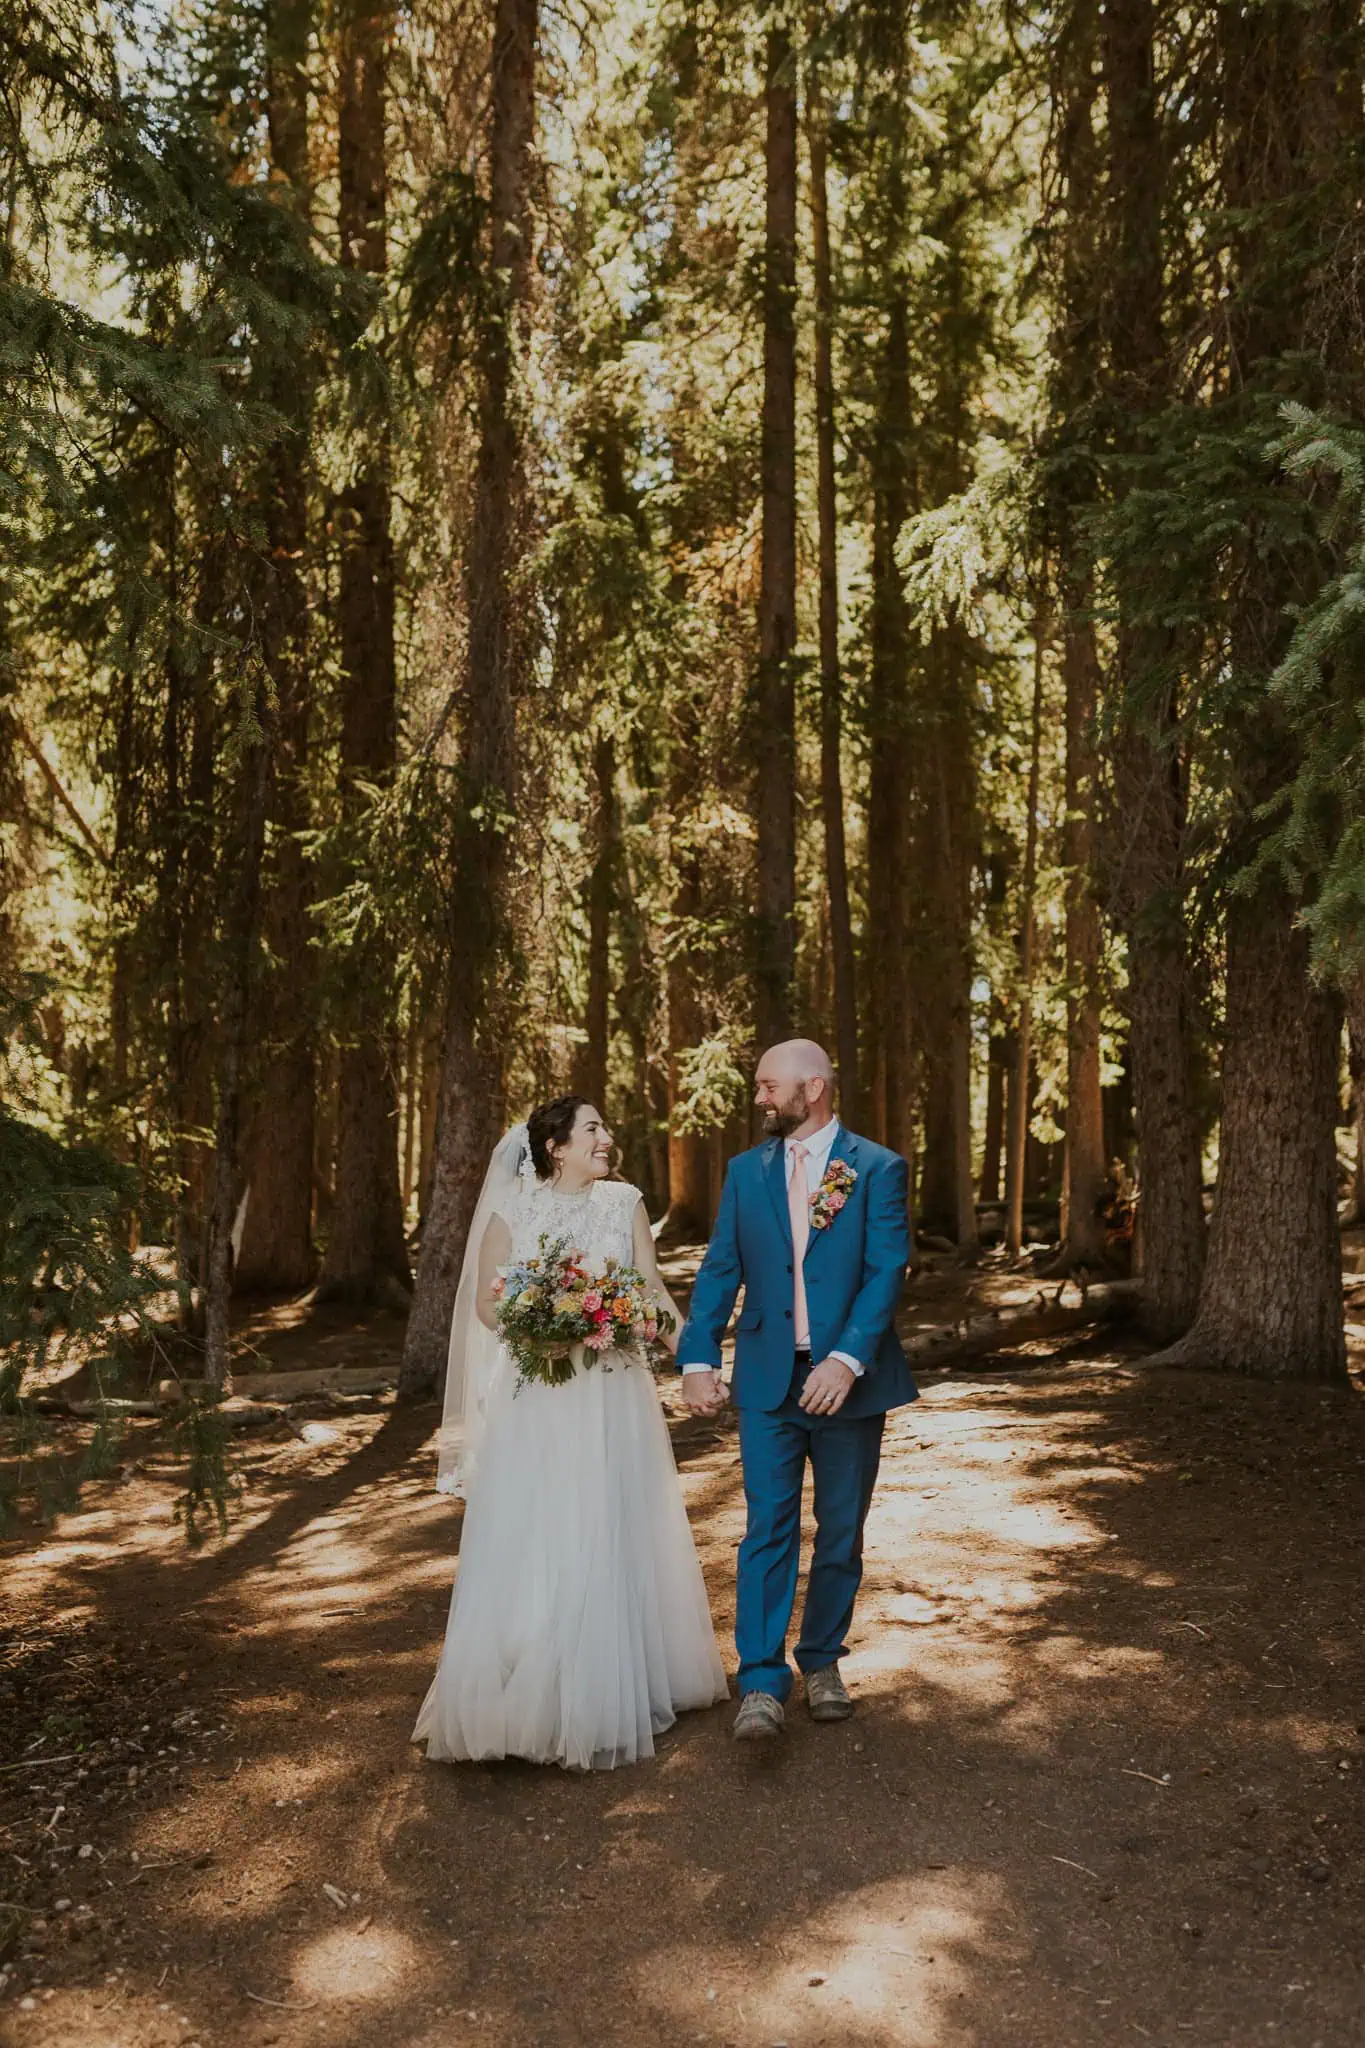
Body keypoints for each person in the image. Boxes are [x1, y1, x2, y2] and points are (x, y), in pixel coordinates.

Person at [413, 1097, 727, 1771]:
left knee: (611, 1519)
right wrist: (545, 1326)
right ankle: (530, 1679)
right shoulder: (512, 1212)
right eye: (592, 1130)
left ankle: (616, 1679)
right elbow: (488, 1304)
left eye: (605, 1129)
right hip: (540, 1398)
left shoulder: (624, 1204)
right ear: (555, 1146)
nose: (606, 1139)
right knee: (539, 1526)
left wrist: (694, 1359)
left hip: (613, 1394)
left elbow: (649, 1293)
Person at [677, 1040, 916, 1741]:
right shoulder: (744, 1173)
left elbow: (885, 1269)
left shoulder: (875, 1168)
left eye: (767, 1085)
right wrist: (698, 1356)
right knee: (766, 1528)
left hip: (848, 1384)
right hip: (766, 1380)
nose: (758, 1098)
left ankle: (820, 1661)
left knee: (840, 1531)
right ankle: (759, 1678)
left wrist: (845, 1360)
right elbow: (721, 1267)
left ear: (811, 1088)